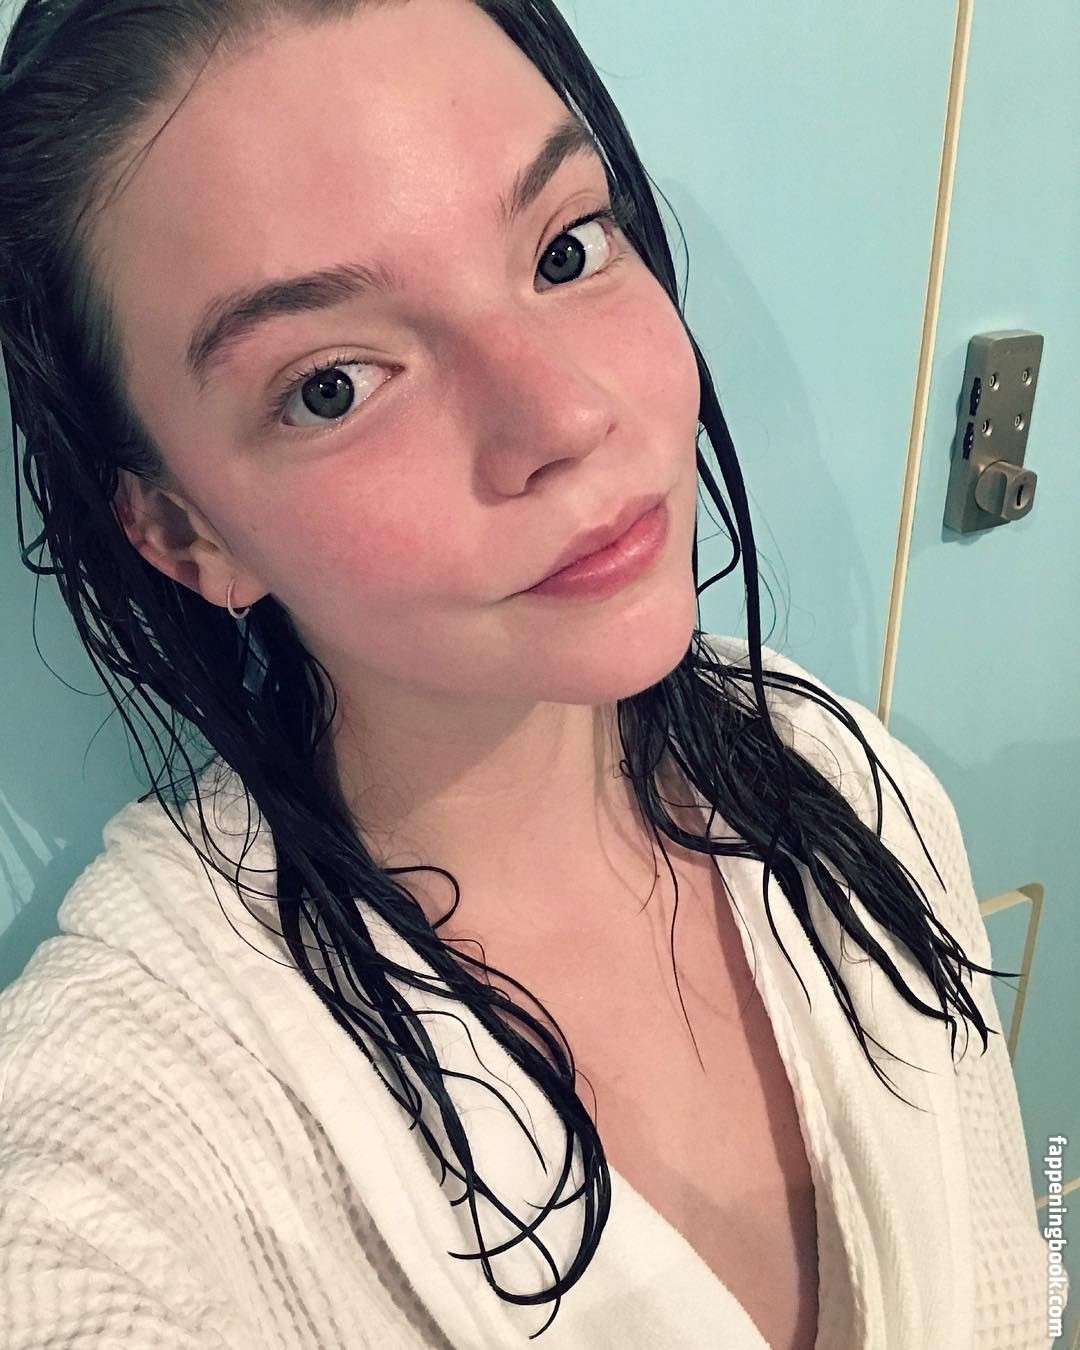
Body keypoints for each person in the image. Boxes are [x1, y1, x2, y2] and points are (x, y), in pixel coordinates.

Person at [0, 0, 1060, 1346]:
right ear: (180, 529)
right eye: (333, 384)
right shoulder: (146, 1100)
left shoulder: (850, 783)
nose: (564, 414)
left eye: (566, 249)